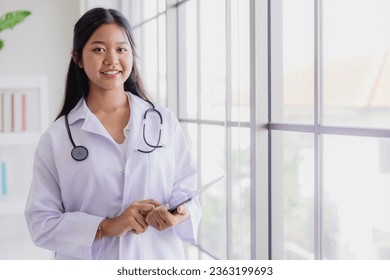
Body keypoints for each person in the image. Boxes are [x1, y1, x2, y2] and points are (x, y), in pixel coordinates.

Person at [24, 7, 201, 260]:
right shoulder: (57, 138)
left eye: (121, 49)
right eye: (98, 49)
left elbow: (187, 192)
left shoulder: (162, 121)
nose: (112, 59)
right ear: (78, 58)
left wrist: (180, 212)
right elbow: (41, 223)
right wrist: (107, 226)